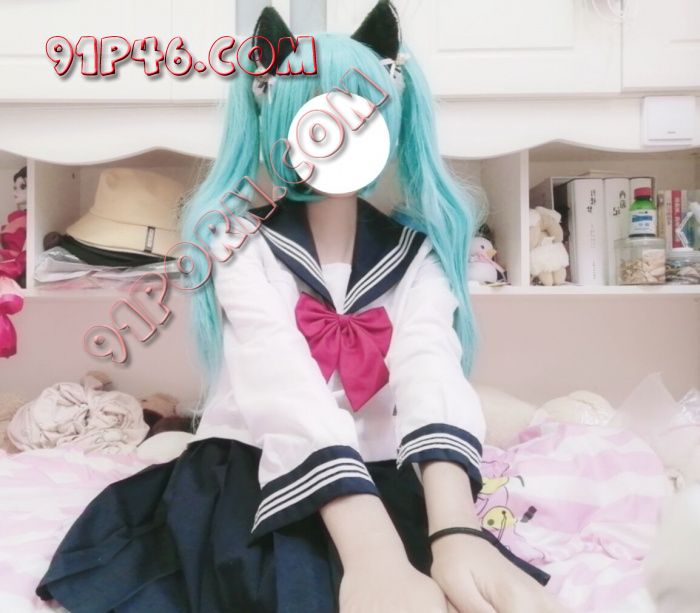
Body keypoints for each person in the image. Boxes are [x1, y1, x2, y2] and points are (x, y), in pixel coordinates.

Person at [36, 3, 560, 611]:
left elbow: (430, 364)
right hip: (258, 466)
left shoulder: (420, 253)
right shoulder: (238, 246)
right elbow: (277, 378)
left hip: (386, 465)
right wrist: (372, 553)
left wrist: (455, 529)